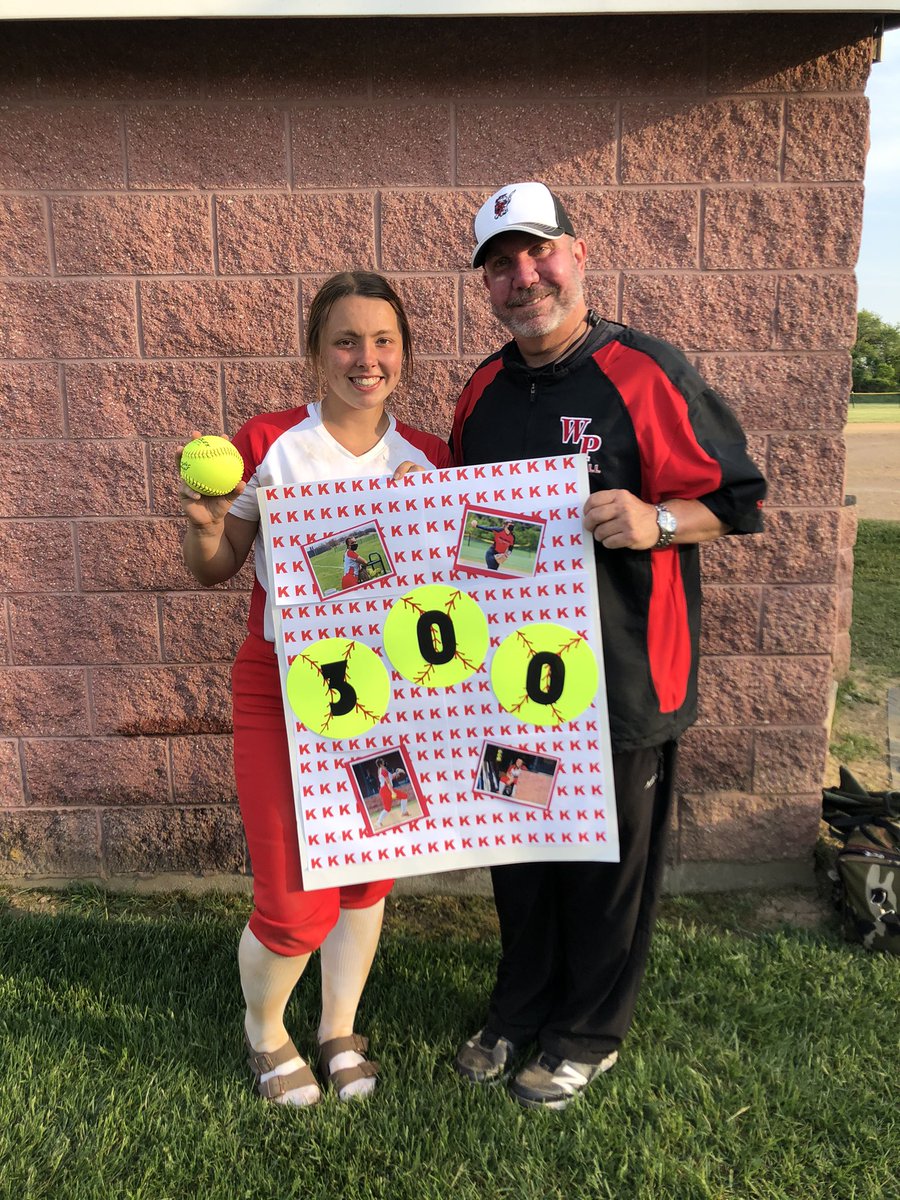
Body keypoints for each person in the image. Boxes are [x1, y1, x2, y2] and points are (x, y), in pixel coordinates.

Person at [451, 181, 766, 1110]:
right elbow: (464, 531)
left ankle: (588, 1029)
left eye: (538, 252)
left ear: (577, 256)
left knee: (605, 870)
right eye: (501, 264)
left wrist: (658, 519)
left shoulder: (645, 371)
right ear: (486, 286)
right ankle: (519, 1006)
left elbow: (739, 500)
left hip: (627, 677)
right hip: (516, 683)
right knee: (521, 850)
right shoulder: (483, 390)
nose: (523, 277)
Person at [178, 271, 452, 1107]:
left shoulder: (432, 457)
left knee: (368, 874)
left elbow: (460, 587)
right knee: (294, 904)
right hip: (283, 691)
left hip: (393, 699)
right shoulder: (268, 441)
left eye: (382, 342)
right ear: (314, 353)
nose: (364, 358)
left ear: (403, 356)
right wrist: (203, 530)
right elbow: (217, 570)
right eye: (345, 340)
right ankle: (266, 1034)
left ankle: (338, 1028)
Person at [374, 758, 409, 829]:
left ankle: (379, 821)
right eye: (383, 761)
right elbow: (388, 782)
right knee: (403, 797)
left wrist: (397, 772)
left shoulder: (383, 770)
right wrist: (392, 792)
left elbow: (390, 778)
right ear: (381, 764)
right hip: (386, 789)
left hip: (385, 789)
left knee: (388, 808)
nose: (384, 762)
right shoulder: (383, 770)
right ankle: (378, 822)